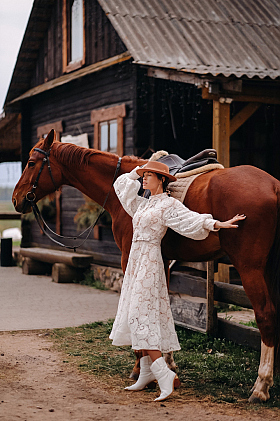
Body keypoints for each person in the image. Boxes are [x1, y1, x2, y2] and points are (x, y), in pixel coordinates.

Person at [109, 161, 246, 402]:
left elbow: (190, 220)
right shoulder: (142, 204)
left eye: (148, 175)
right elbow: (121, 186)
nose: (143, 179)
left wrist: (217, 224)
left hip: (150, 263)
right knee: (135, 312)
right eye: (143, 176)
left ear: (161, 180)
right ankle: (147, 373)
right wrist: (135, 171)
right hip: (136, 262)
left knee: (141, 315)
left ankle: (164, 375)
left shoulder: (168, 205)